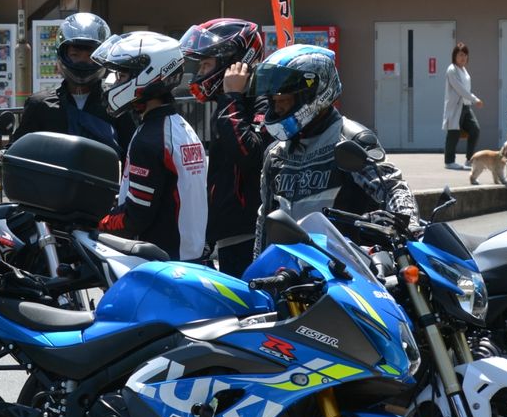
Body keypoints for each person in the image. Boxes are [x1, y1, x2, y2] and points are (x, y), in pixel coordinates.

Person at [254, 44, 419, 254]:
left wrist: (411, 229)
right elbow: (264, 220)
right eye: (274, 101)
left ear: (314, 94)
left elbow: (393, 187)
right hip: (288, 268)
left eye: (284, 100)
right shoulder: (276, 154)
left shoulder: (351, 140)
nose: (277, 108)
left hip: (342, 266)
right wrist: (257, 265)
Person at [92, 31, 207, 262]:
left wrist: (95, 224)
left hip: (161, 263)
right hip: (190, 256)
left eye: (122, 75)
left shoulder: (150, 139)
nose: (115, 82)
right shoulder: (181, 126)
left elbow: (135, 217)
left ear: (149, 74)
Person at [179, 18, 269, 275]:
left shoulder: (262, 101)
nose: (200, 73)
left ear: (234, 63)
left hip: (250, 234)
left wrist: (232, 98)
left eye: (206, 64)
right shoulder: (229, 104)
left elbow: (250, 155)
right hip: (227, 233)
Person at [11, 12, 135, 156]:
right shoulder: (39, 104)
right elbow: (18, 150)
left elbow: (132, 153)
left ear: (102, 57)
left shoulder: (116, 101)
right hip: (54, 171)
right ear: (62, 55)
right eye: (75, 55)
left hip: (103, 171)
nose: (82, 61)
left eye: (90, 56)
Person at [442, 41, 483, 170]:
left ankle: (469, 160)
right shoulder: (452, 70)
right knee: (453, 133)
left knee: (475, 130)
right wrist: (475, 99)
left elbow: (466, 90)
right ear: (454, 56)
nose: (463, 57)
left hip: (466, 106)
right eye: (460, 55)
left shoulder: (464, 71)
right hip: (455, 107)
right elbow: (460, 89)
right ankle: (449, 162)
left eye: (465, 55)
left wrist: (473, 99)